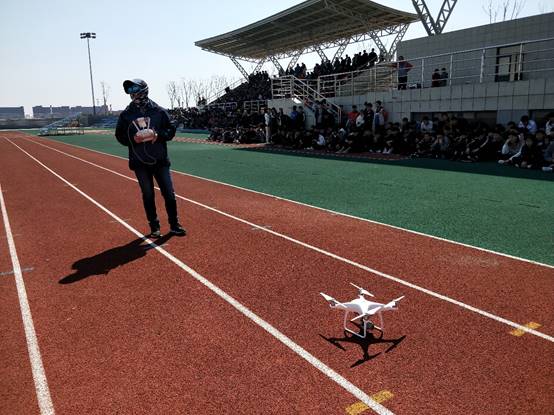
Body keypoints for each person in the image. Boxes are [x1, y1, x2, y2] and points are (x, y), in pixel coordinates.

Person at [115, 79, 186, 238]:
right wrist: (133, 139)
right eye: (129, 90)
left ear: (144, 90)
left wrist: (157, 135)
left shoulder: (159, 111)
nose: (132, 93)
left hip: (160, 160)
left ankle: (174, 225)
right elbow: (119, 136)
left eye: (135, 89)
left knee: (169, 193)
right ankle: (154, 227)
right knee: (148, 194)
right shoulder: (126, 115)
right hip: (139, 161)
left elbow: (170, 130)